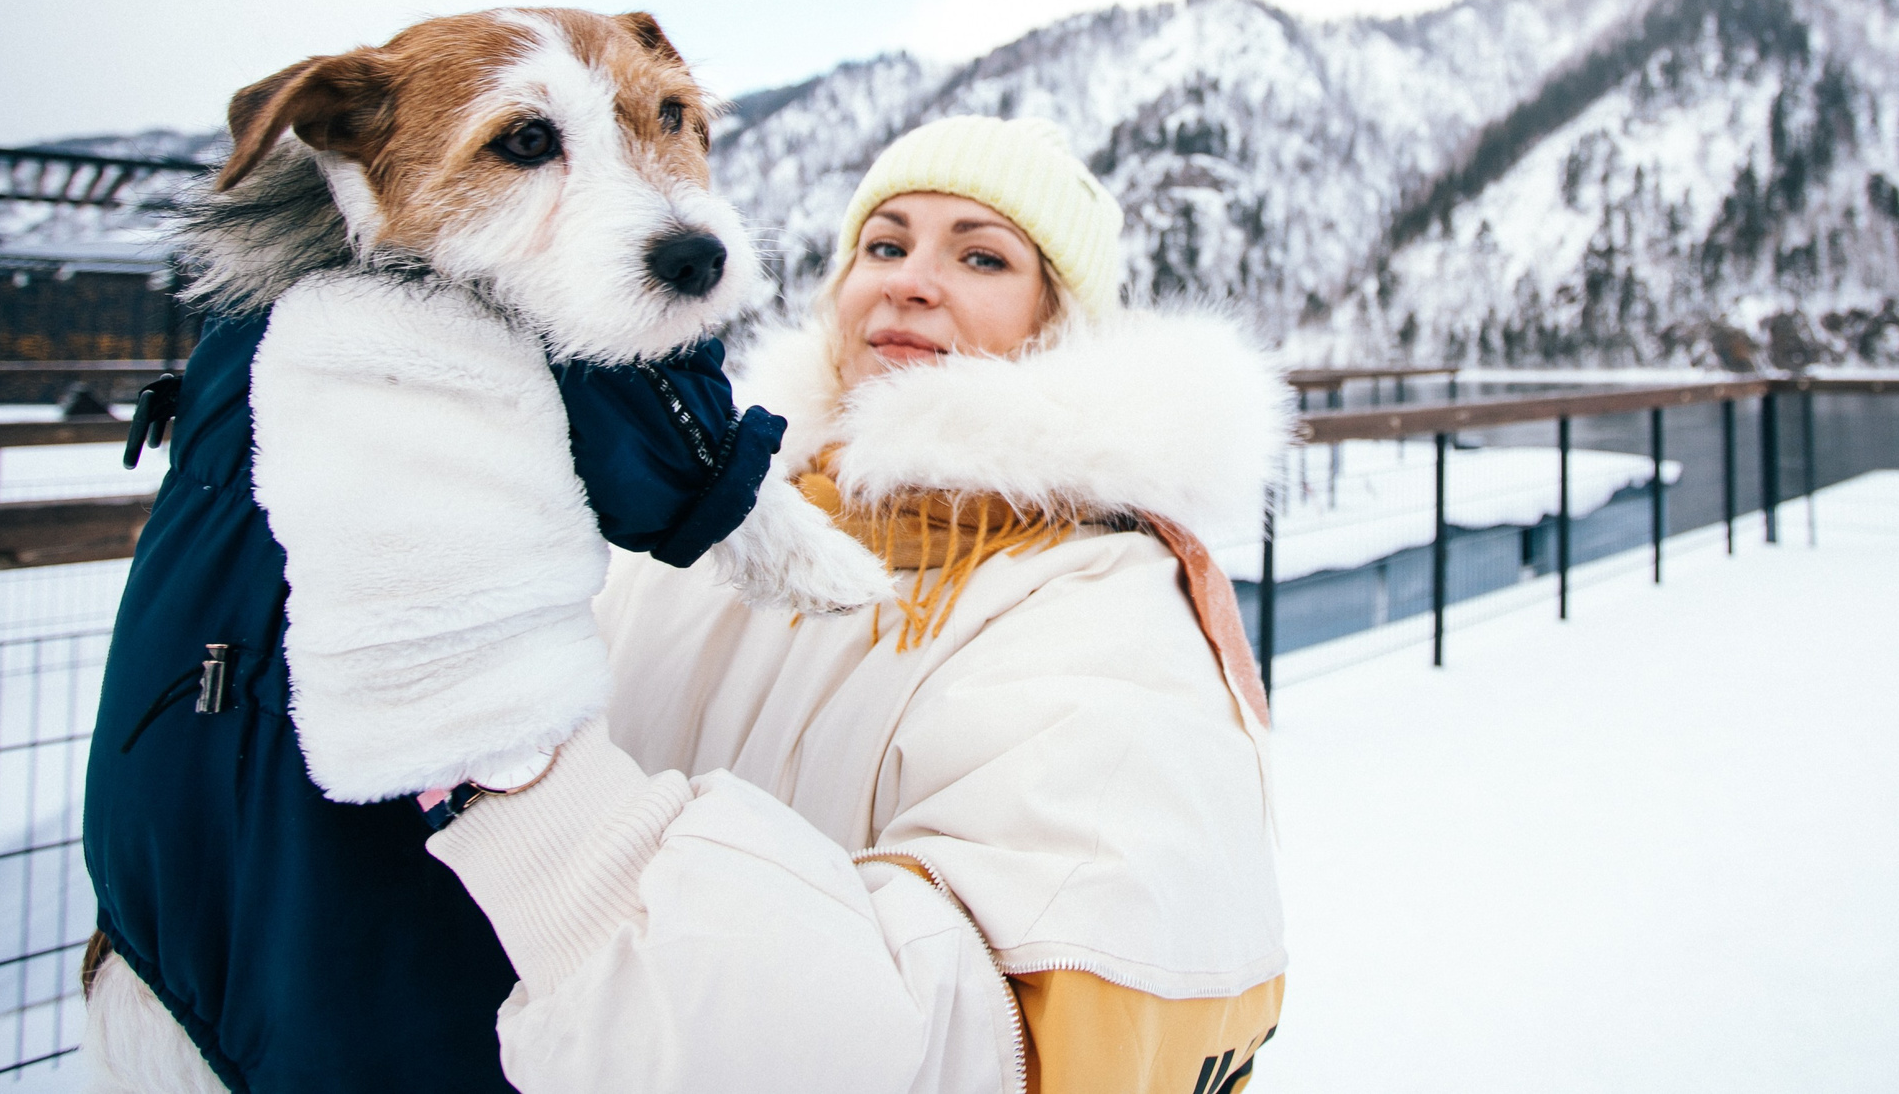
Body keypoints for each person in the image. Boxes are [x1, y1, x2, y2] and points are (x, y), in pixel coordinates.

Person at [428, 114, 1290, 1091]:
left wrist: (540, 810)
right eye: (884, 244)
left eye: (982, 257)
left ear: (1059, 328)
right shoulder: (724, 536)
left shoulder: (1092, 607)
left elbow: (970, 1045)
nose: (909, 280)